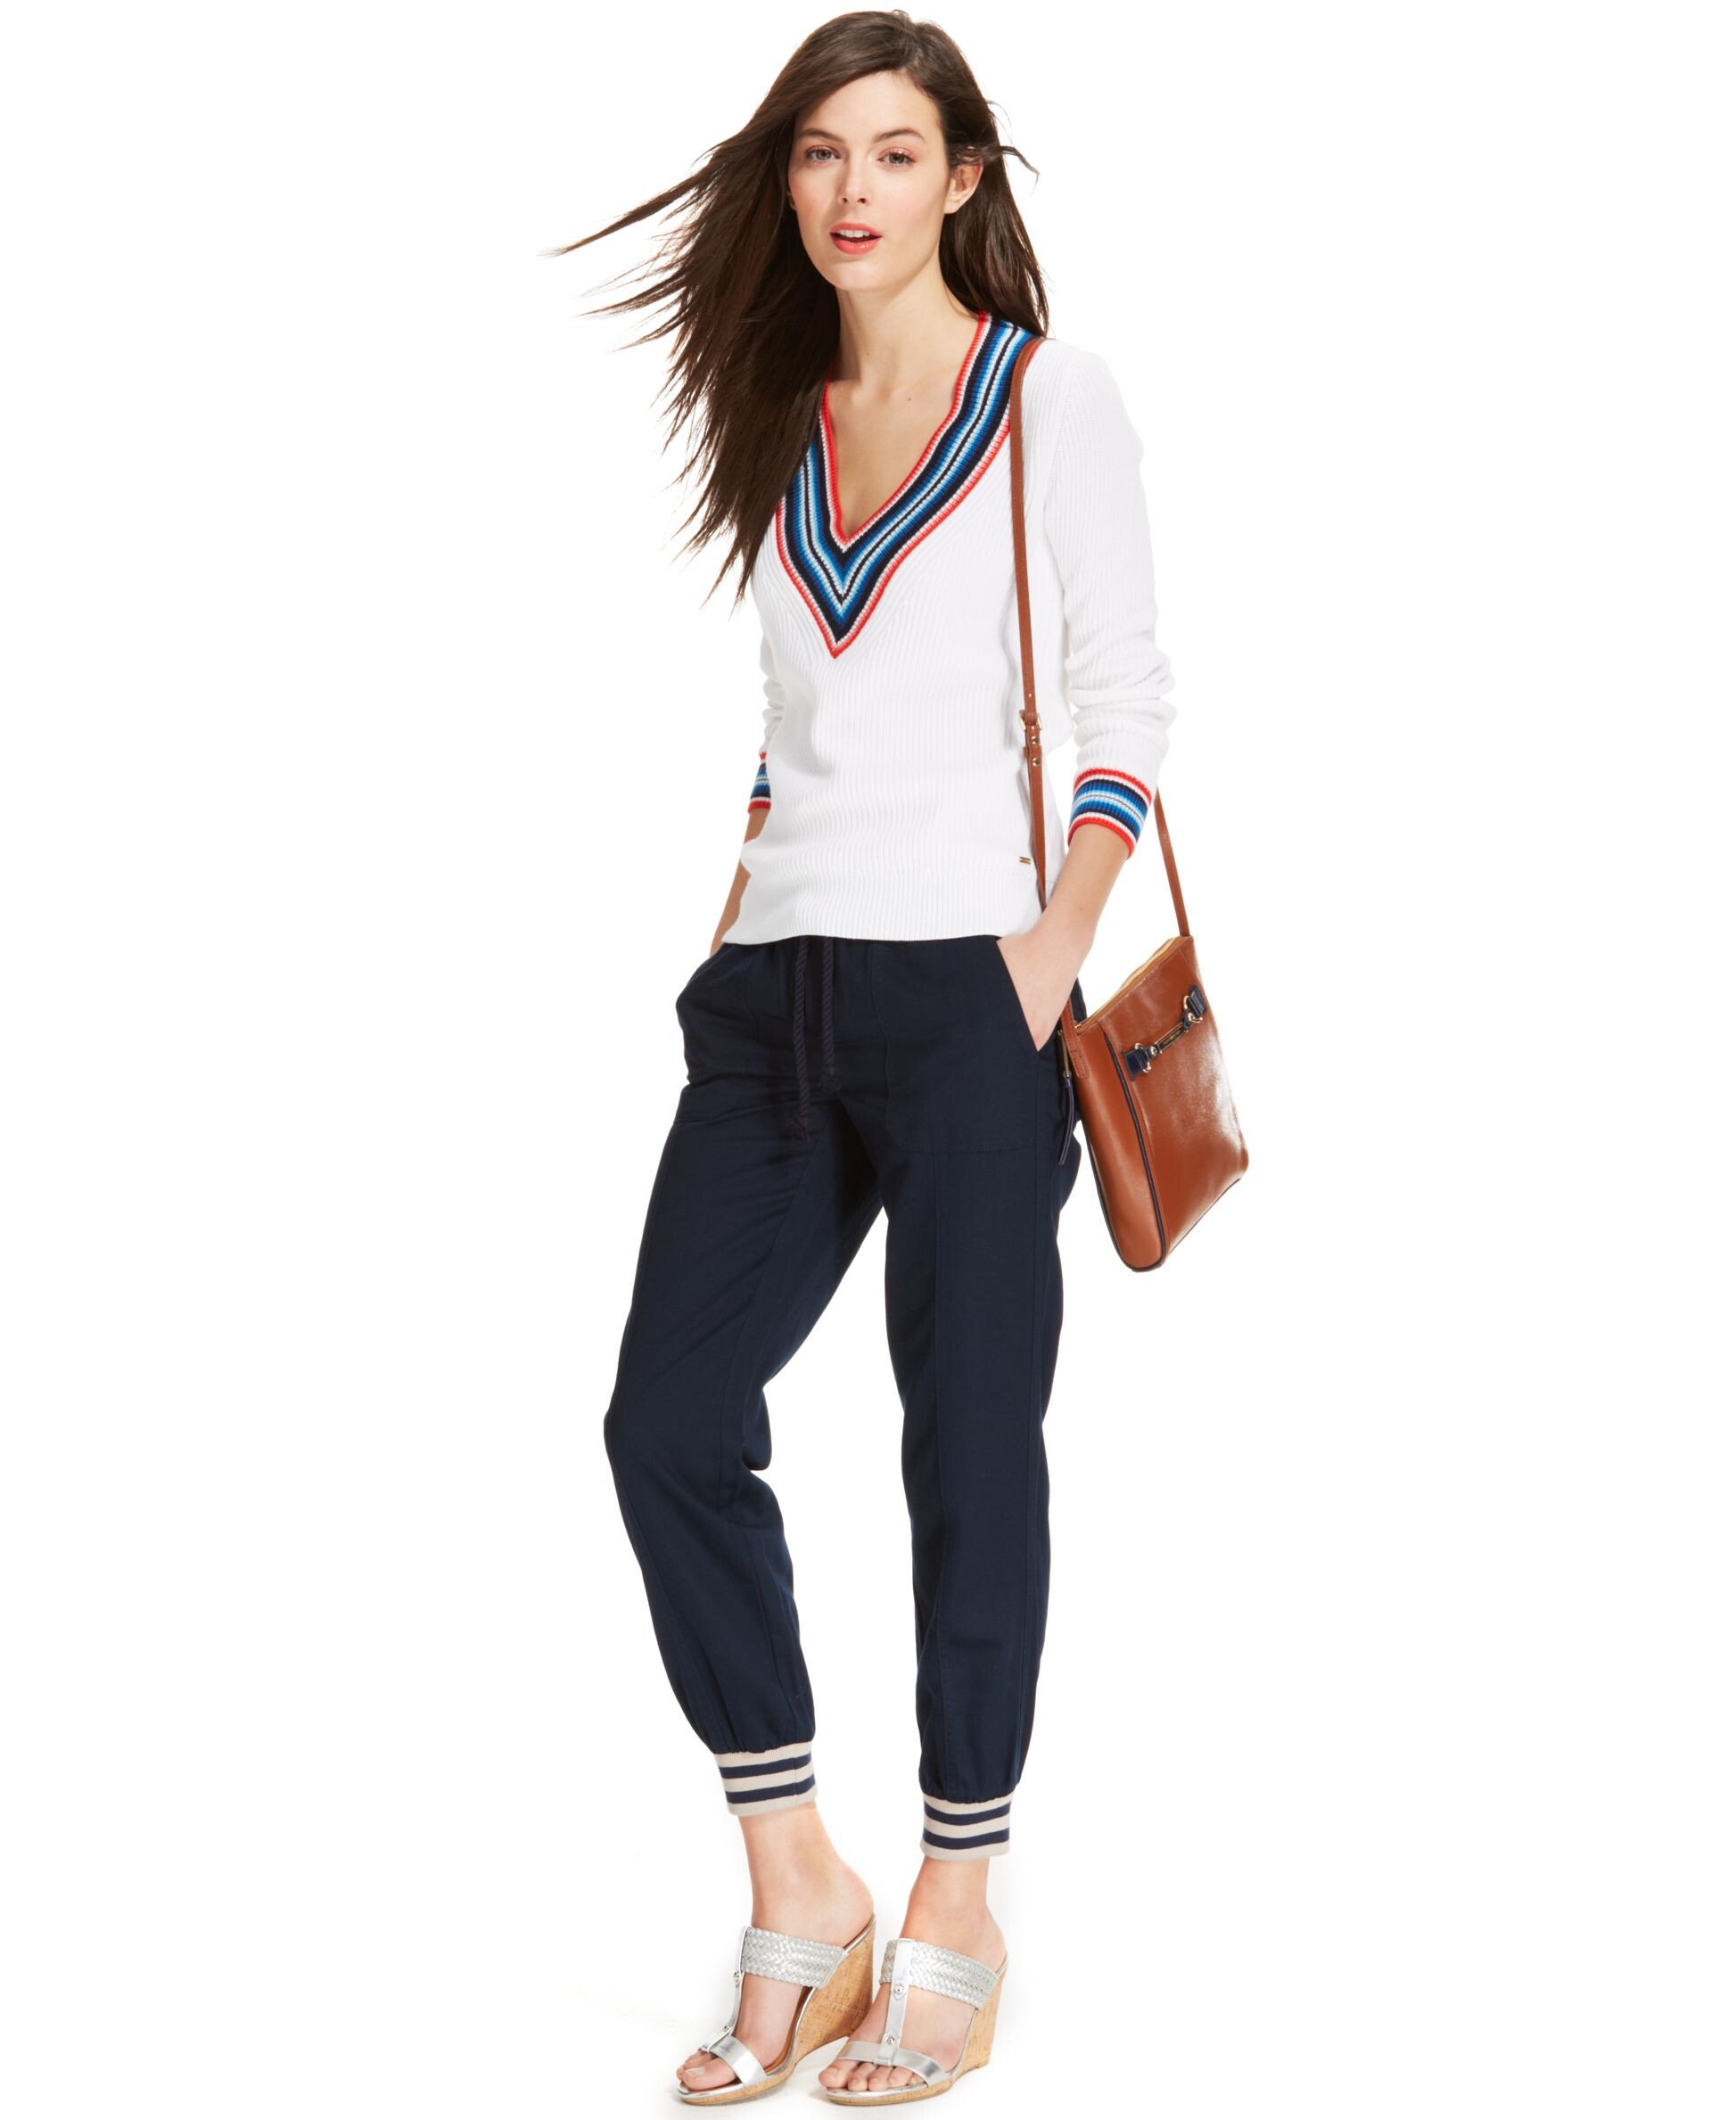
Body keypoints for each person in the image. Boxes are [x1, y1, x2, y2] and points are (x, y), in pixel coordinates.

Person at [563, 17, 1176, 2103]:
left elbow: (1121, 696)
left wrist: (1048, 952)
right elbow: (796, 717)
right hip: (770, 996)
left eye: (893, 152)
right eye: (819, 153)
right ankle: (799, 1879)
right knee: (664, 1418)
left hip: (969, 998)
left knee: (965, 1442)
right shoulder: (781, 416)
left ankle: (958, 1899)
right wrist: (740, 898)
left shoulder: (1045, 399)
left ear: (962, 179)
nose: (849, 190)